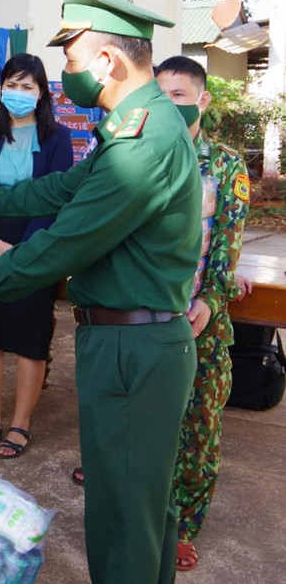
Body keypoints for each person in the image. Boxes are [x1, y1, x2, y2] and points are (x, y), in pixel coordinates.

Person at [0, 0, 203, 584]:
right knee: (139, 507)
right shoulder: (134, 125)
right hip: (132, 339)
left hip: (133, 346)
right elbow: (60, 187)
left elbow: (65, 243)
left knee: (125, 515)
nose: (65, 74)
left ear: (105, 59)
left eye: (69, 58)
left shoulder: (141, 142)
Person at [156, 55, 249, 571]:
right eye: (161, 94)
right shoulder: (141, 155)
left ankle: (185, 524)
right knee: (151, 426)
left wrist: (211, 302)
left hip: (201, 323)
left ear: (202, 100)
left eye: (180, 96)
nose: (169, 106)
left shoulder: (226, 166)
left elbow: (226, 246)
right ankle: (152, 516)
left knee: (199, 428)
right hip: (149, 318)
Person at [0, 54, 73, 459]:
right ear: (2, 88)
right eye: (12, 85)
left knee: (30, 340)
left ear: (41, 92)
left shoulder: (58, 140)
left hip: (36, 251)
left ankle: (20, 425)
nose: (19, 93)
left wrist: (24, 251)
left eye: (28, 86)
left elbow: (55, 198)